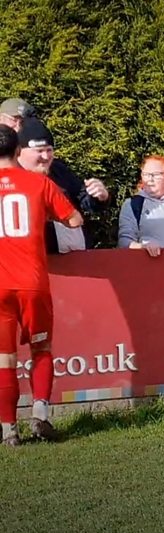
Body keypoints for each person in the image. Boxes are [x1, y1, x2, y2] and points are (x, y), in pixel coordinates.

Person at [0, 125, 83, 446]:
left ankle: (8, 429)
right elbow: (75, 220)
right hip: (31, 281)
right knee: (41, 349)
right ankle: (40, 414)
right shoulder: (38, 182)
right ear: (18, 151)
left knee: (4, 358)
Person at [16, 118, 109, 253]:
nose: (46, 156)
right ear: (19, 151)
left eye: (49, 150)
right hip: (39, 261)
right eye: (39, 150)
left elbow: (83, 199)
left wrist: (99, 196)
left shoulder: (58, 170)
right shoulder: (10, 179)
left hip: (77, 257)